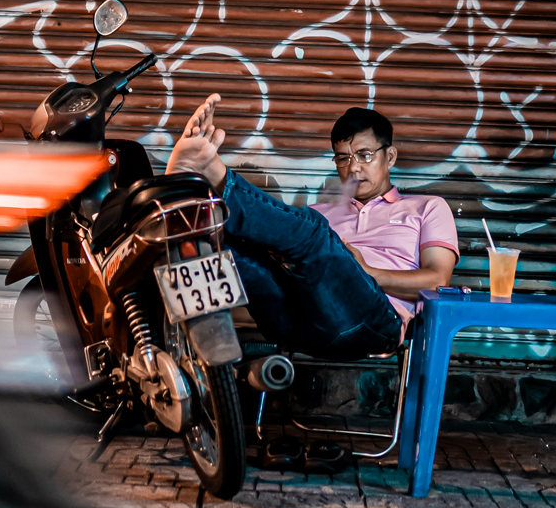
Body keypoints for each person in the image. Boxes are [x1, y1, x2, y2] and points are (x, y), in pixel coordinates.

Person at [166, 96, 458, 358]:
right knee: (226, 245)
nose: (354, 168)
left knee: (317, 234)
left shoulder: (427, 207)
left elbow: (437, 282)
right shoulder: (315, 216)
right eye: (343, 158)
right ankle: (177, 202)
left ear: (389, 156)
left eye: (365, 155)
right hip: (294, 320)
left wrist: (366, 273)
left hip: (370, 324)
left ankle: (214, 174)